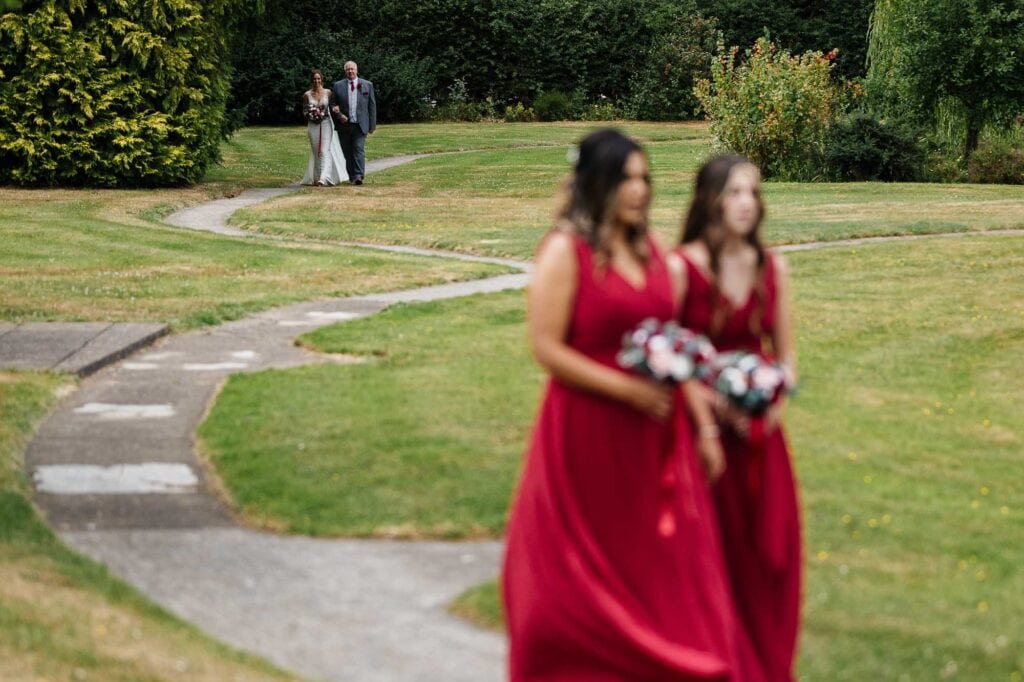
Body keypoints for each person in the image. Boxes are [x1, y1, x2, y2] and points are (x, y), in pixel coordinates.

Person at [502, 130, 762, 682]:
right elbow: (546, 347)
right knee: (579, 582)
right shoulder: (566, 251)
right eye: (627, 178)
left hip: (657, 440)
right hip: (587, 434)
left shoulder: (654, 253)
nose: (640, 189)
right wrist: (628, 391)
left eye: (645, 178)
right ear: (598, 183)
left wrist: (703, 428)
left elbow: (676, 345)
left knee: (666, 570)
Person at [669, 155, 803, 682]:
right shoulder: (683, 267)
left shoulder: (773, 268)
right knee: (708, 558)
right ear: (710, 200)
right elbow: (671, 357)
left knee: (770, 557)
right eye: (735, 192)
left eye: (754, 192)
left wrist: (768, 411)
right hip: (700, 438)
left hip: (760, 438)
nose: (747, 203)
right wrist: (714, 408)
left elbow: (787, 361)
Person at [331, 61, 376, 185]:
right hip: (344, 125)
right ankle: (351, 175)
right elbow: (332, 105)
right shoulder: (337, 86)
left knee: (358, 148)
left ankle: (358, 175)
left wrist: (372, 125)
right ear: (345, 71)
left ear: (357, 70)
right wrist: (339, 115)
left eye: (352, 69)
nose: (350, 71)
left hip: (360, 125)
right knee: (347, 152)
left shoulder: (367, 85)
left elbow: (372, 106)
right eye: (348, 69)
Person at [301, 69, 348, 186]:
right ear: (312, 80)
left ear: (321, 79)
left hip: (326, 123)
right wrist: (312, 115)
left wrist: (338, 111)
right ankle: (317, 177)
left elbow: (333, 106)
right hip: (313, 125)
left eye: (318, 78)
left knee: (324, 150)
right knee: (316, 151)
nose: (316, 81)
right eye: (314, 79)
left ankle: (324, 177)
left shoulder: (328, 93)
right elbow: (304, 111)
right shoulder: (307, 95)